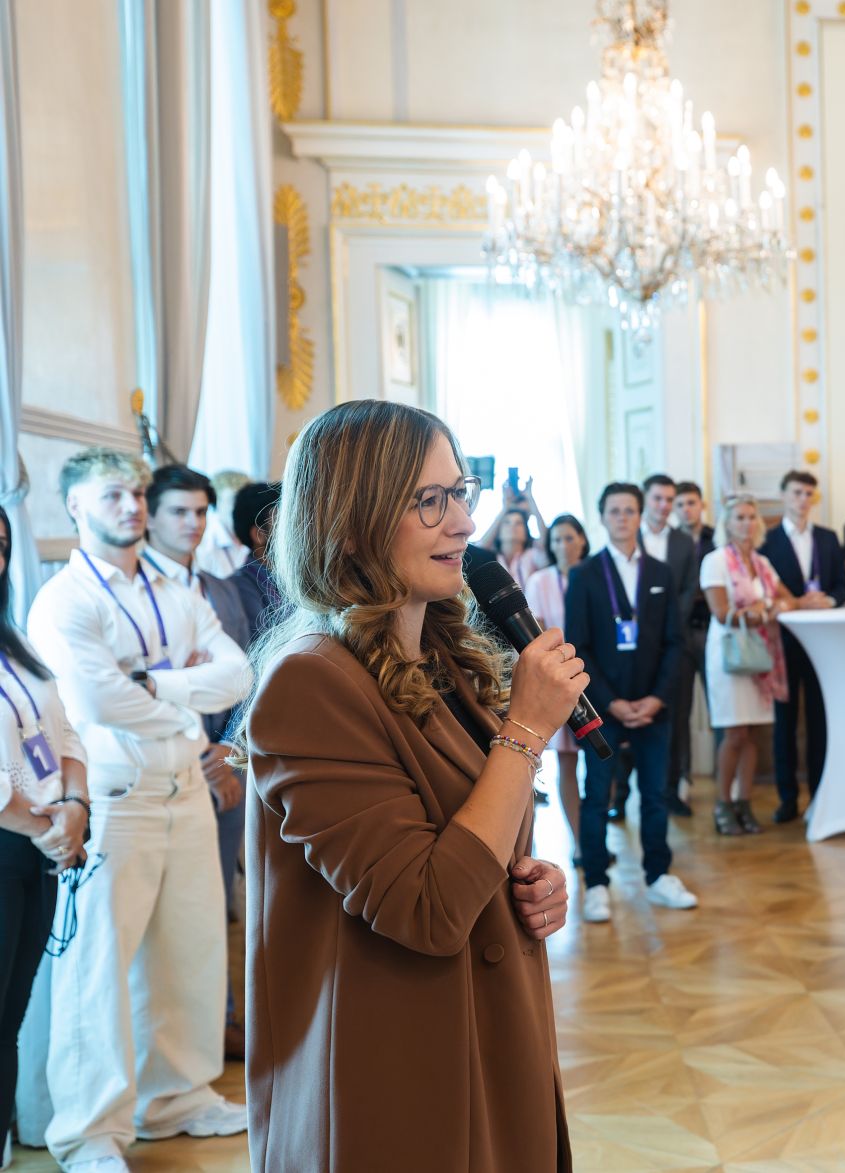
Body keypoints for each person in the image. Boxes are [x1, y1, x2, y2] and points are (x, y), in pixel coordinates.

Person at [242, 401, 575, 1171]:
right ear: (353, 521)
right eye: (431, 500)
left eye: (462, 492)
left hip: (489, 1039)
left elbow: (476, 835)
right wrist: (525, 731)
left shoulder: (449, 659)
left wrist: (533, 881)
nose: (462, 522)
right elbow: (425, 907)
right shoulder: (310, 682)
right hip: (391, 1070)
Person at [27, 447, 252, 1170]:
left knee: (189, 949)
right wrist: (182, 693)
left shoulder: (174, 587)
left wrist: (152, 687)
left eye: (133, 492)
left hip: (184, 786)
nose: (129, 505)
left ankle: (176, 1096)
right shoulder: (65, 598)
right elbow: (93, 700)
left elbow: (236, 673)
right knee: (98, 967)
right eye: (111, 495)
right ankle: (89, 1131)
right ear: (74, 507)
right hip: (113, 798)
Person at [143, 464, 253, 1059]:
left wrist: (230, 751)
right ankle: (182, 1041)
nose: (191, 523)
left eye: (200, 511)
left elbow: (245, 679)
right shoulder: (134, 591)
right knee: (169, 917)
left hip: (227, 764)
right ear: (149, 517)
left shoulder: (222, 589)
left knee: (215, 907)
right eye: (178, 512)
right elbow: (134, 689)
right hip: (165, 765)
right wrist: (199, 743)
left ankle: (220, 1024)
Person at [0, 503, 89, 1173]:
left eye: (1, 544)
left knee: (10, 1022)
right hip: (20, 839)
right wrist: (45, 828)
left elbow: (64, 732)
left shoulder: (14, 643)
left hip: (39, 844)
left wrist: (75, 806)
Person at [563, 484, 696, 924]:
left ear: (641, 517)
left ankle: (659, 876)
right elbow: (578, 646)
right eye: (614, 511)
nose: (623, 518)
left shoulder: (660, 572)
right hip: (604, 709)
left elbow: (675, 643)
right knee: (597, 796)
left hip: (654, 707)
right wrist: (613, 702)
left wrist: (656, 698)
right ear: (602, 517)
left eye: (630, 510)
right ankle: (597, 883)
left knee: (656, 794)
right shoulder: (584, 575)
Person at [701, 494, 795, 835]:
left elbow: (788, 598)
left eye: (751, 517)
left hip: (758, 654)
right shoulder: (716, 561)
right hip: (729, 653)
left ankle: (744, 801)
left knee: (752, 732)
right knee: (734, 732)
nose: (746, 523)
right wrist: (762, 610)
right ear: (727, 523)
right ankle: (723, 803)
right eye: (739, 517)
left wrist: (771, 605)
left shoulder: (762, 563)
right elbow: (721, 612)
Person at [759, 469, 845, 824]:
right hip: (782, 640)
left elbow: (842, 585)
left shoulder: (828, 538)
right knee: (785, 721)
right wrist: (798, 603)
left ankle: (819, 793)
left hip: (822, 641)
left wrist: (828, 600)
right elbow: (765, 590)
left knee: (819, 719)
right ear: (784, 495)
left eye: (808, 493)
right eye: (796, 492)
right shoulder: (767, 541)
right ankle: (787, 797)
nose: (802, 499)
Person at [634, 475, 701, 818]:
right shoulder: (630, 535)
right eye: (658, 498)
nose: (664, 506)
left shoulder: (683, 542)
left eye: (670, 500)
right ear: (646, 499)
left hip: (676, 643)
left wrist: (668, 627)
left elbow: (689, 590)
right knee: (632, 715)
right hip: (633, 644)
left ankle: (673, 789)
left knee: (676, 719)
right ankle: (622, 797)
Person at [526, 513, 588, 866]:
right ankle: (579, 840)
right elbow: (539, 630)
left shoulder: (596, 573)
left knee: (601, 760)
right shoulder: (540, 580)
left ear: (581, 540)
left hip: (595, 671)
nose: (563, 545)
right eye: (557, 539)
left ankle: (597, 832)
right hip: (559, 674)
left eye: (570, 538)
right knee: (567, 761)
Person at [670, 481, 716, 815]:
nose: (687, 509)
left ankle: (723, 787)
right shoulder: (670, 543)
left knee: (721, 708)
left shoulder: (718, 538)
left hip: (715, 630)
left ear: (702, 505)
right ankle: (681, 782)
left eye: (692, 503)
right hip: (683, 632)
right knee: (681, 710)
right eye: (681, 504)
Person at [227, 480, 282, 644]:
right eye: (284, 524)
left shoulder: (292, 579)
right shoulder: (240, 587)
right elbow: (266, 643)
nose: (296, 531)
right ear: (259, 535)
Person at [478, 476, 549, 591]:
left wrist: (530, 498)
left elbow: (547, 542)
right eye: (507, 523)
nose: (513, 527)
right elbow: (480, 549)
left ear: (526, 533)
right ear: (498, 533)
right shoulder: (492, 560)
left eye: (519, 523)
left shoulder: (532, 556)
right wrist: (505, 507)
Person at [193, 469, 251, 579]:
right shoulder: (205, 547)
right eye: (233, 501)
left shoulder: (257, 535)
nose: (242, 508)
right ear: (215, 504)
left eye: (245, 501)